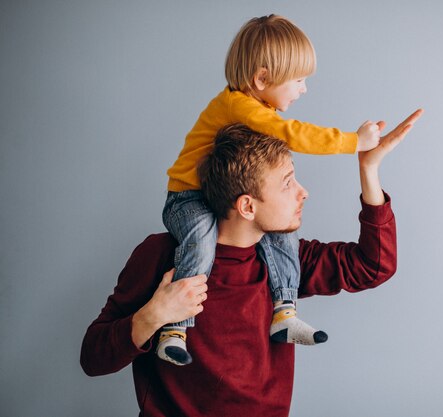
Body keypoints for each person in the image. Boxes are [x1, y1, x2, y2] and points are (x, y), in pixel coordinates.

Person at [80, 110, 422, 416]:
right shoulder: (161, 255)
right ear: (247, 206)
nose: (304, 192)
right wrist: (154, 315)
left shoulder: (285, 261)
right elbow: (92, 358)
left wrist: (369, 169)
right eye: (288, 184)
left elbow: (374, 266)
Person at [160, 14, 383, 365]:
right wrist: (355, 141)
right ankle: (175, 327)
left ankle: (284, 312)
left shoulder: (256, 107)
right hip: (188, 197)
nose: (303, 88)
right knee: (201, 242)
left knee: (282, 235)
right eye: (298, 79)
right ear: (262, 78)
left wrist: (369, 169)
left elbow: (373, 266)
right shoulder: (240, 106)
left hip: (224, 199)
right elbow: (294, 133)